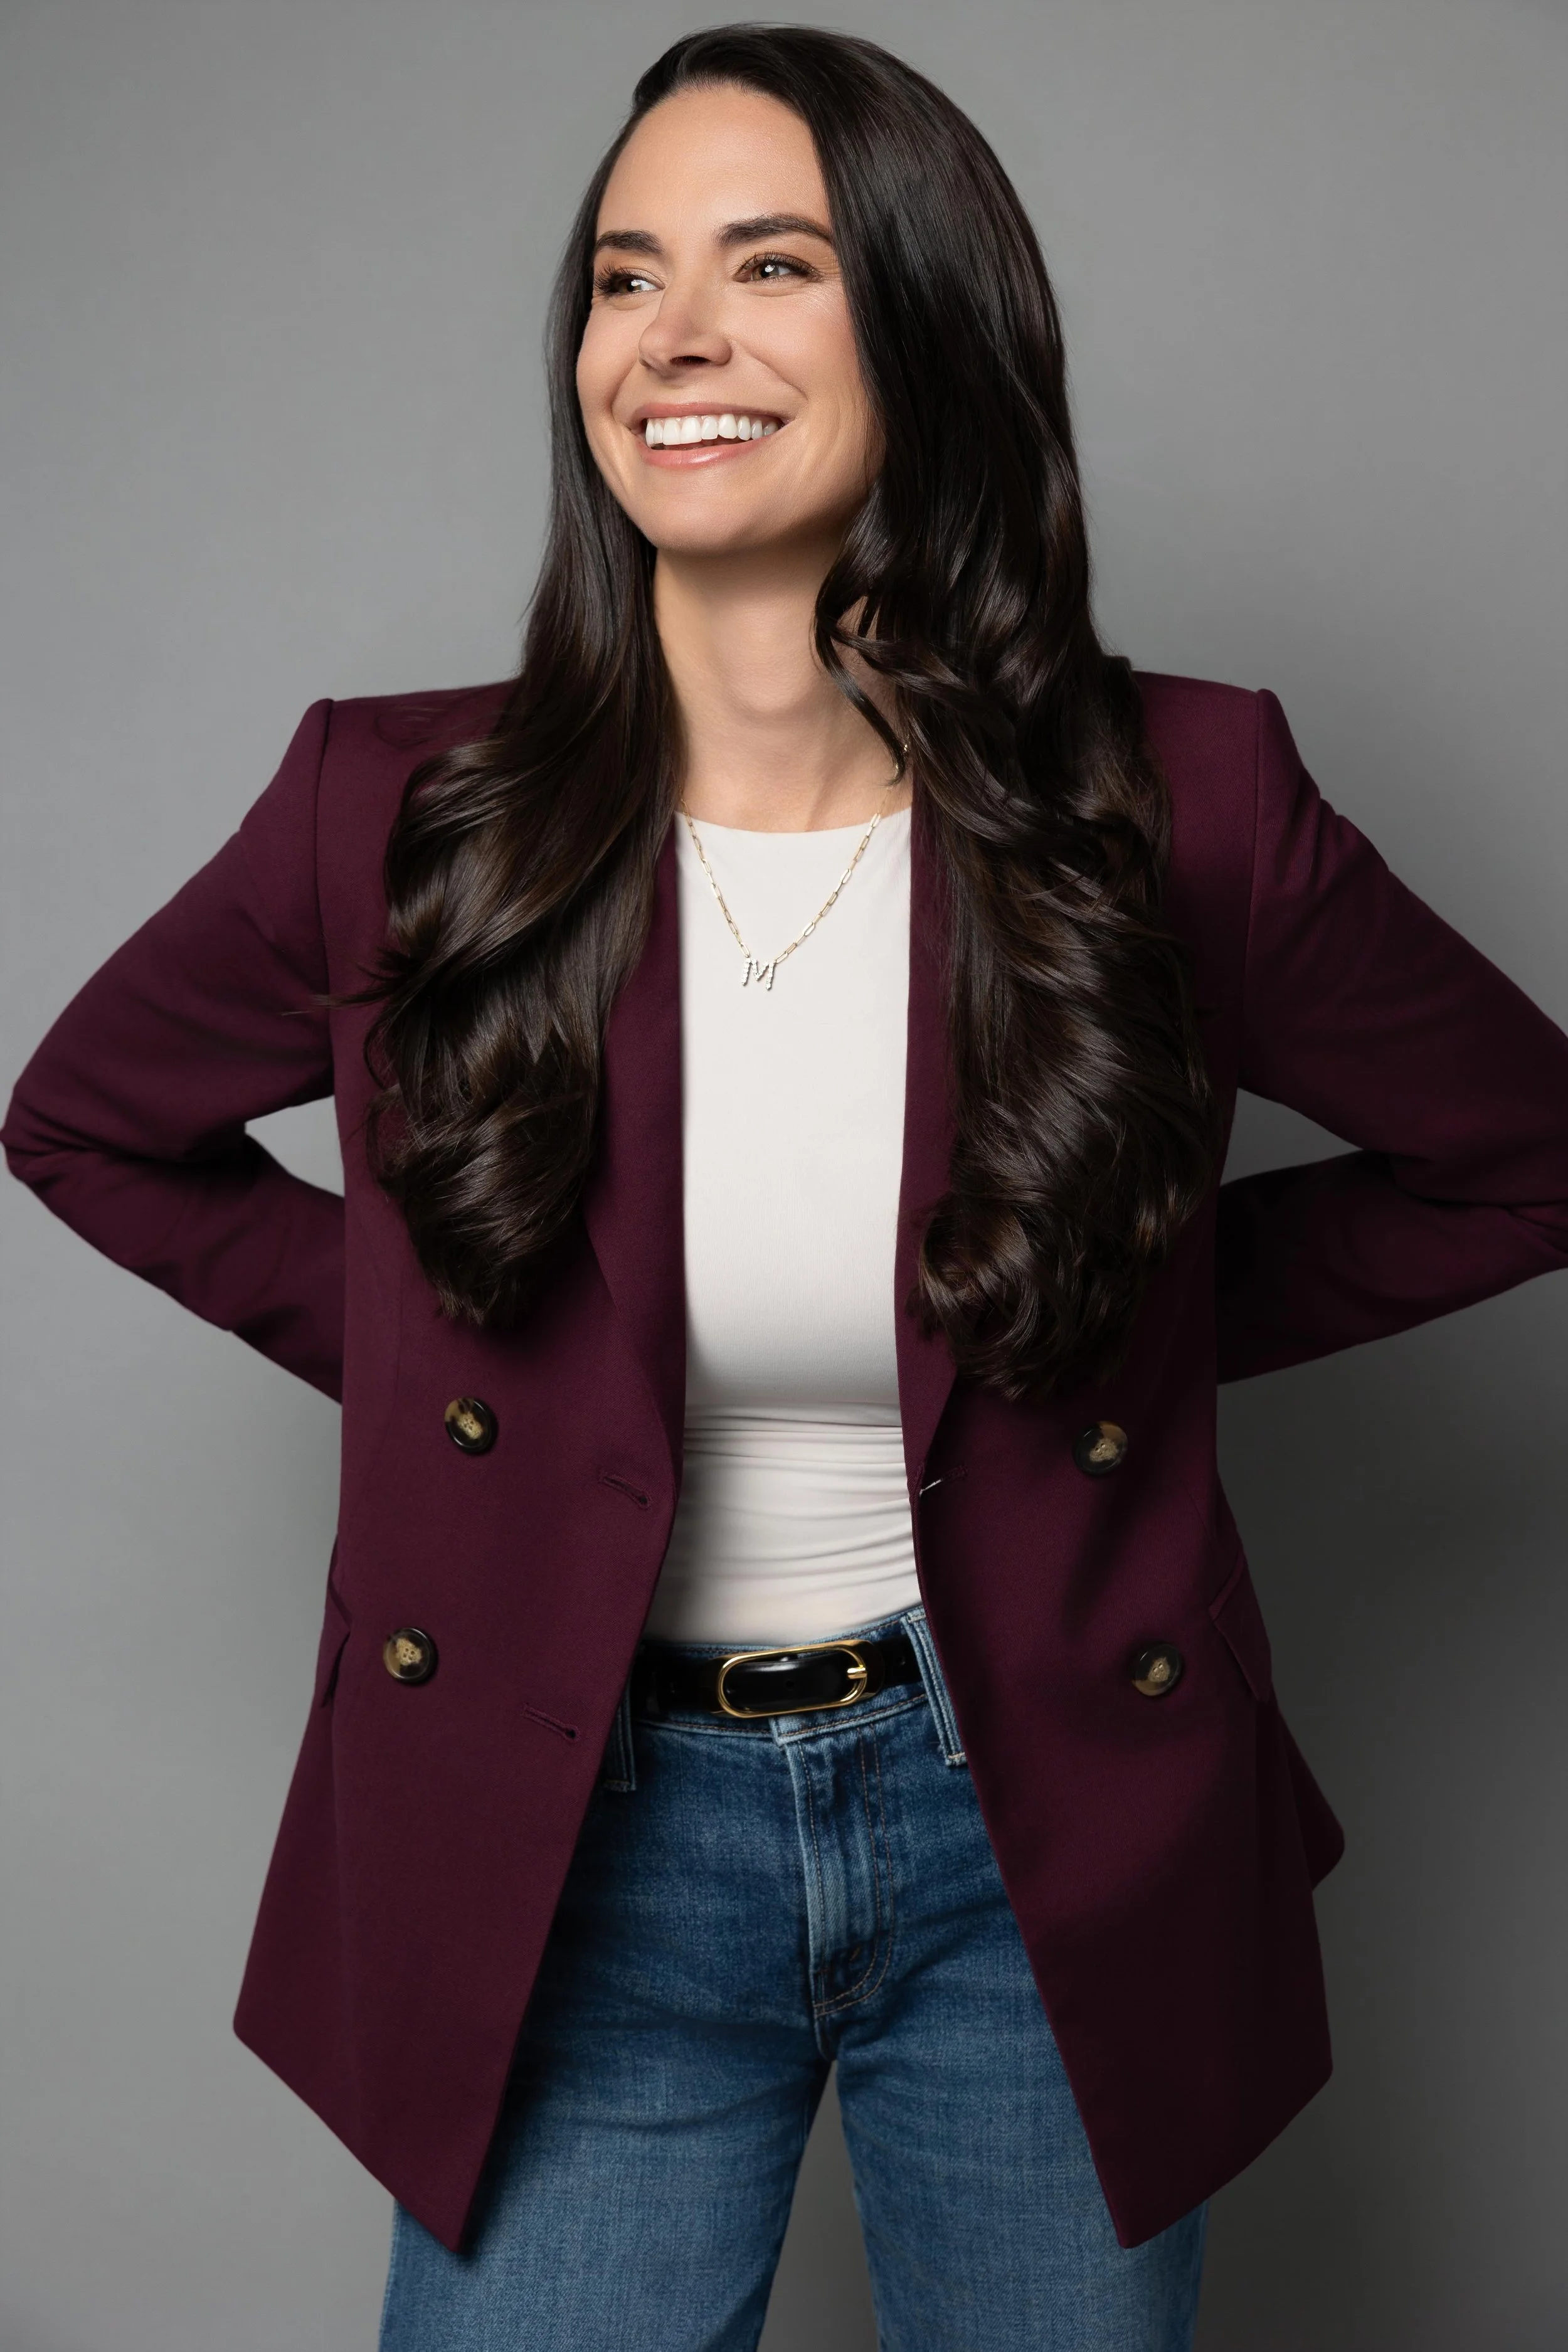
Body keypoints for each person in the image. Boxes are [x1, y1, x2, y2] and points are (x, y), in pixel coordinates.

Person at [6, 24, 1567, 2352]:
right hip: (578, 1838)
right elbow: (84, 1118)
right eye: (624, 278)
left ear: (928, 330)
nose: (674, 339)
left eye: (769, 262)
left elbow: (1515, 1151)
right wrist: (457, 1353)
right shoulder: (394, 813)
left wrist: (1116, 1308)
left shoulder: (1183, 805)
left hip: (1034, 1823)